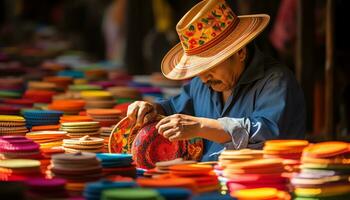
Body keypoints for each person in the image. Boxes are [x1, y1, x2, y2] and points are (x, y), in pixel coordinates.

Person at [127, 0, 306, 161]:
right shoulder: (202, 83)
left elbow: (267, 133)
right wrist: (151, 109)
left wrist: (201, 126)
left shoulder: (276, 81)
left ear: (240, 52)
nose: (203, 77)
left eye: (210, 66)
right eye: (198, 69)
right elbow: (173, 108)